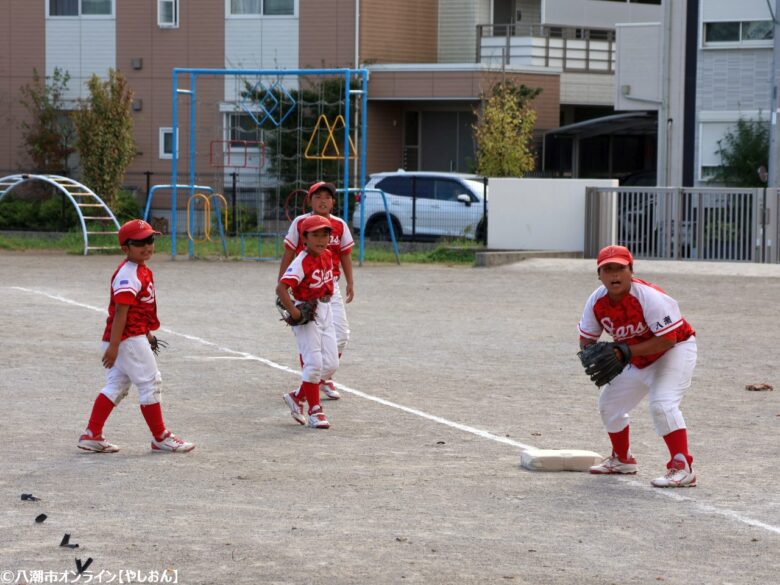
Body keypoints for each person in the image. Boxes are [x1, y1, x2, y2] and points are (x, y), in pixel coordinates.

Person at [578, 245, 697, 487]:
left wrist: (627, 351)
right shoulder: (596, 301)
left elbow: (667, 339)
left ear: (631, 270)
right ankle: (623, 459)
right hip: (636, 356)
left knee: (662, 404)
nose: (614, 275)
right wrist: (590, 352)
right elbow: (587, 337)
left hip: (674, 351)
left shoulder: (650, 297)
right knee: (609, 404)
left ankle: (682, 467)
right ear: (598, 274)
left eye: (620, 268)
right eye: (607, 269)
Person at [77, 219, 194, 454]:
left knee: (117, 385)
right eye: (139, 242)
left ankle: (92, 434)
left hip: (130, 336)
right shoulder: (128, 274)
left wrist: (147, 333)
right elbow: (121, 312)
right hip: (126, 338)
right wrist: (114, 346)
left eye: (150, 240)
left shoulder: (140, 269)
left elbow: (137, 310)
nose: (147, 245)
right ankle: (160, 436)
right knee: (151, 382)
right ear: (125, 248)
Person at [278, 181, 354, 400]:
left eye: (327, 197)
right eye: (317, 196)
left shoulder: (339, 225)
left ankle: (320, 379)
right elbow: (289, 251)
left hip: (330, 288)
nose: (323, 200)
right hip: (306, 290)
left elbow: (345, 254)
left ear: (333, 202)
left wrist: (350, 282)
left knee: (341, 336)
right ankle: (311, 386)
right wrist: (282, 283)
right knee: (311, 343)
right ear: (309, 200)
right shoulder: (301, 223)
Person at [277, 214, 339, 429]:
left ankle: (297, 396)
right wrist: (294, 312)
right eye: (316, 235)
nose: (321, 239)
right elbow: (281, 288)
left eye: (325, 234)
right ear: (305, 237)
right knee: (313, 364)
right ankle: (315, 411)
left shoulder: (329, 255)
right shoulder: (301, 260)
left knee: (330, 364)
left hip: (325, 309)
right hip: (307, 313)